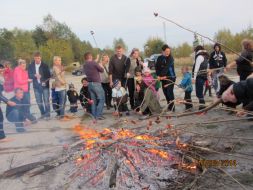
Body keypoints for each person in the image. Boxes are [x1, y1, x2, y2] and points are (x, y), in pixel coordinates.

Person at [28, 52, 51, 119]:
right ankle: (43, 114)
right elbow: (29, 75)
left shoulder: (45, 65)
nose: (37, 59)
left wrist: (43, 78)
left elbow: (48, 76)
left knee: (46, 101)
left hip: (45, 86)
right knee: (39, 102)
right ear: (34, 58)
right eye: (36, 58)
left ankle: (48, 115)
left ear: (41, 58)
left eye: (38, 58)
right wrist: (35, 76)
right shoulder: (31, 66)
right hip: (36, 87)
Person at [83, 52, 105, 120]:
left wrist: (97, 59)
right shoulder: (93, 63)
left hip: (90, 84)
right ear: (90, 56)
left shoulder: (85, 64)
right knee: (101, 99)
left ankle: (94, 115)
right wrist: (101, 64)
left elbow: (92, 64)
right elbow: (102, 70)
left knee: (93, 101)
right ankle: (98, 115)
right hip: (96, 84)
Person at [155, 44, 176, 111]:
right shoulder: (159, 58)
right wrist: (158, 75)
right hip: (162, 78)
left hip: (170, 77)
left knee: (169, 92)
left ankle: (172, 107)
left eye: (169, 51)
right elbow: (157, 68)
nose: (168, 53)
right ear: (162, 51)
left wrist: (163, 76)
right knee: (165, 92)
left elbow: (166, 68)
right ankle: (169, 105)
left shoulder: (170, 58)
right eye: (166, 51)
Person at [0, 65, 16, 140]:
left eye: (2, 70)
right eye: (0, 71)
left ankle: (2, 136)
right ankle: (1, 137)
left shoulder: (1, 79)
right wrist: (8, 101)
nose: (2, 72)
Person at [192, 45, 209, 110]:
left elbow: (196, 68)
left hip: (199, 76)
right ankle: (202, 106)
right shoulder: (205, 56)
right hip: (203, 76)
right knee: (200, 92)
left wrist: (194, 78)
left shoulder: (199, 56)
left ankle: (202, 107)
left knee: (199, 93)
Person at [52, 56, 67, 120]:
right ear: (55, 61)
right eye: (58, 60)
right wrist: (63, 82)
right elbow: (58, 77)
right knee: (61, 102)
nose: (59, 61)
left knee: (63, 101)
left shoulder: (60, 67)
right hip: (60, 86)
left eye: (60, 60)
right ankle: (62, 115)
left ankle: (61, 114)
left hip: (63, 86)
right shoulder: (55, 67)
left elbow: (62, 75)